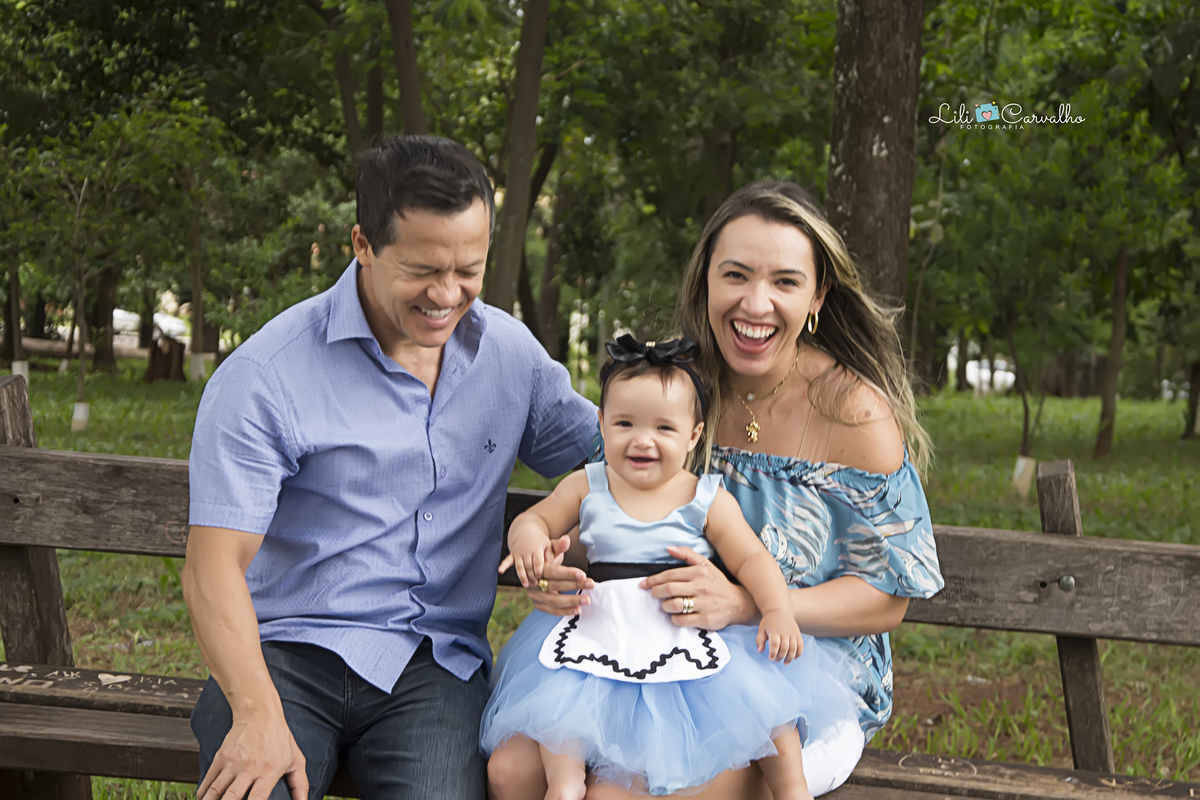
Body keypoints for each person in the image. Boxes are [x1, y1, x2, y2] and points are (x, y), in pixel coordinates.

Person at [488, 181, 945, 799]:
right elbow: (608, 520)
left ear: (817, 296)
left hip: (791, 668)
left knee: (618, 796)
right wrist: (560, 572)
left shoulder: (854, 413)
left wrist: (747, 603)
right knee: (512, 772)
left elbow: (885, 600)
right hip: (643, 640)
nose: (756, 303)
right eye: (735, 275)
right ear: (705, 281)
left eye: (785, 281)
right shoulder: (668, 390)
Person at [181, 135, 597, 800]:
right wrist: (256, 713)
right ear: (363, 245)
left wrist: (556, 532)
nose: (447, 293)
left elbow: (620, 459)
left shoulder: (511, 357)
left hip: (437, 667)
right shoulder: (266, 375)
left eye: (469, 269)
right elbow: (213, 567)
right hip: (285, 657)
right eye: (423, 269)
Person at [482, 335, 862, 800]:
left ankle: (791, 789)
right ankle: (566, 782)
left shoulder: (703, 496)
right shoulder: (589, 484)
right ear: (601, 424)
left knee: (761, 701)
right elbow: (536, 519)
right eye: (625, 423)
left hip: (682, 631)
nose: (642, 440)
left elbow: (752, 559)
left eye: (664, 427)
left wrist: (777, 611)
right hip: (602, 626)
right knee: (563, 696)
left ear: (693, 436)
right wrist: (529, 540)